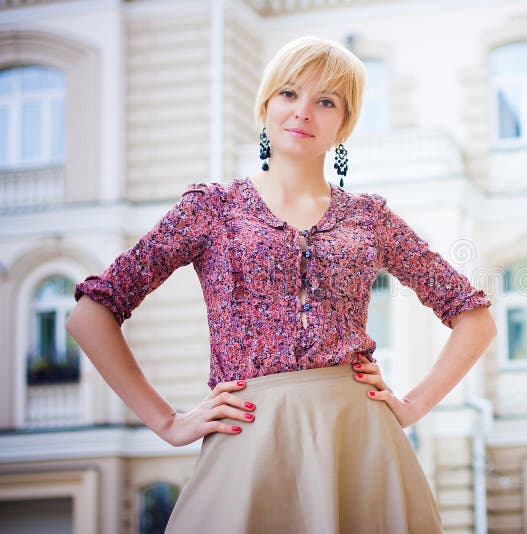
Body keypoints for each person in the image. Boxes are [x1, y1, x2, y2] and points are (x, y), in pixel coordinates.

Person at [66, 35, 496, 533]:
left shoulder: (369, 218)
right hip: (250, 437)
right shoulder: (212, 210)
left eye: (326, 101)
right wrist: (168, 422)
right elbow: (90, 314)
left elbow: (474, 316)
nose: (304, 112)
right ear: (267, 103)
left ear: (344, 122)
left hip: (359, 442)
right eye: (289, 93)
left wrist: (413, 405)